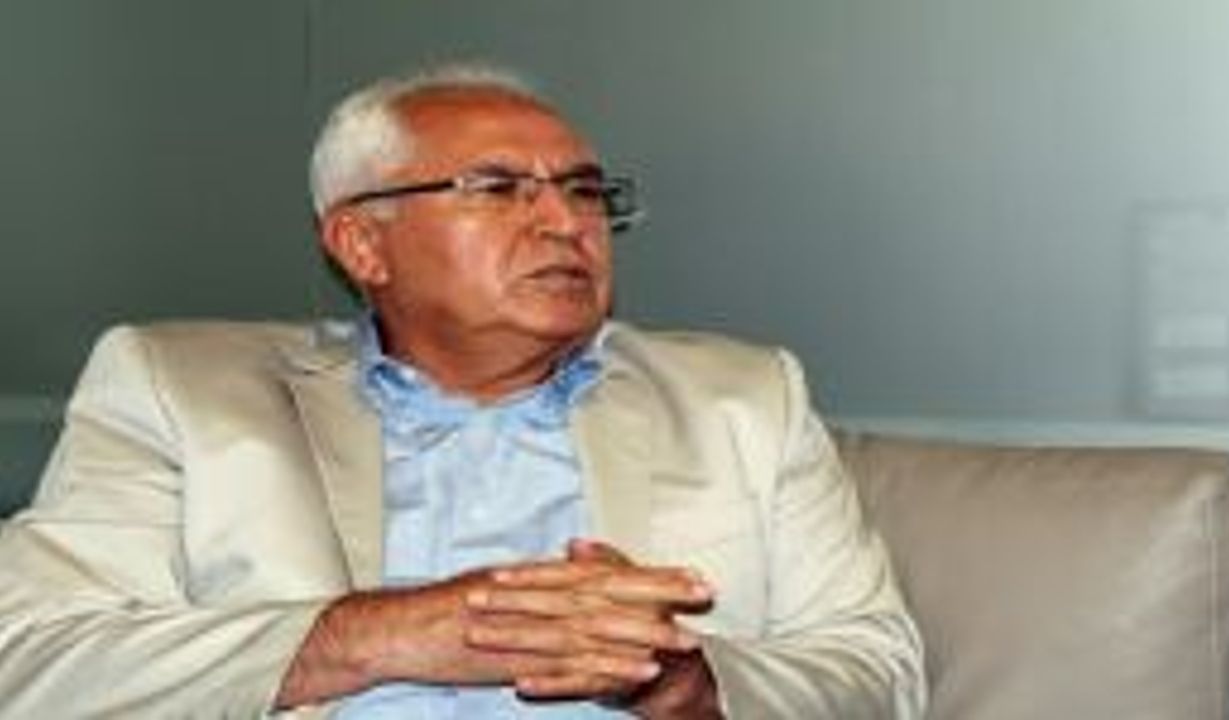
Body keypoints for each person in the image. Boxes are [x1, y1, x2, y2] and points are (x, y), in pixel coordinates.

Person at [0, 63, 925, 718]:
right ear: (363, 244)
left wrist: (683, 685)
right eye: (497, 187)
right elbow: (30, 662)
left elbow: (878, 674)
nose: (564, 221)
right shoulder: (181, 389)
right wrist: (382, 635)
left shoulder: (744, 400)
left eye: (584, 190)